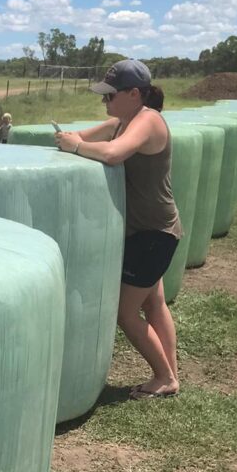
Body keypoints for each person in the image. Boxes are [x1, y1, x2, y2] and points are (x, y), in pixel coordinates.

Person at [55, 59, 181, 399]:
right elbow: (81, 137)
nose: (104, 101)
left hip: (153, 234)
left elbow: (112, 154)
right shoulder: (122, 121)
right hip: (152, 231)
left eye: (110, 95)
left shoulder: (148, 120)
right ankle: (170, 374)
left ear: (134, 94)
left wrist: (76, 146)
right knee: (153, 304)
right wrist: (69, 139)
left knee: (125, 313)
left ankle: (164, 378)